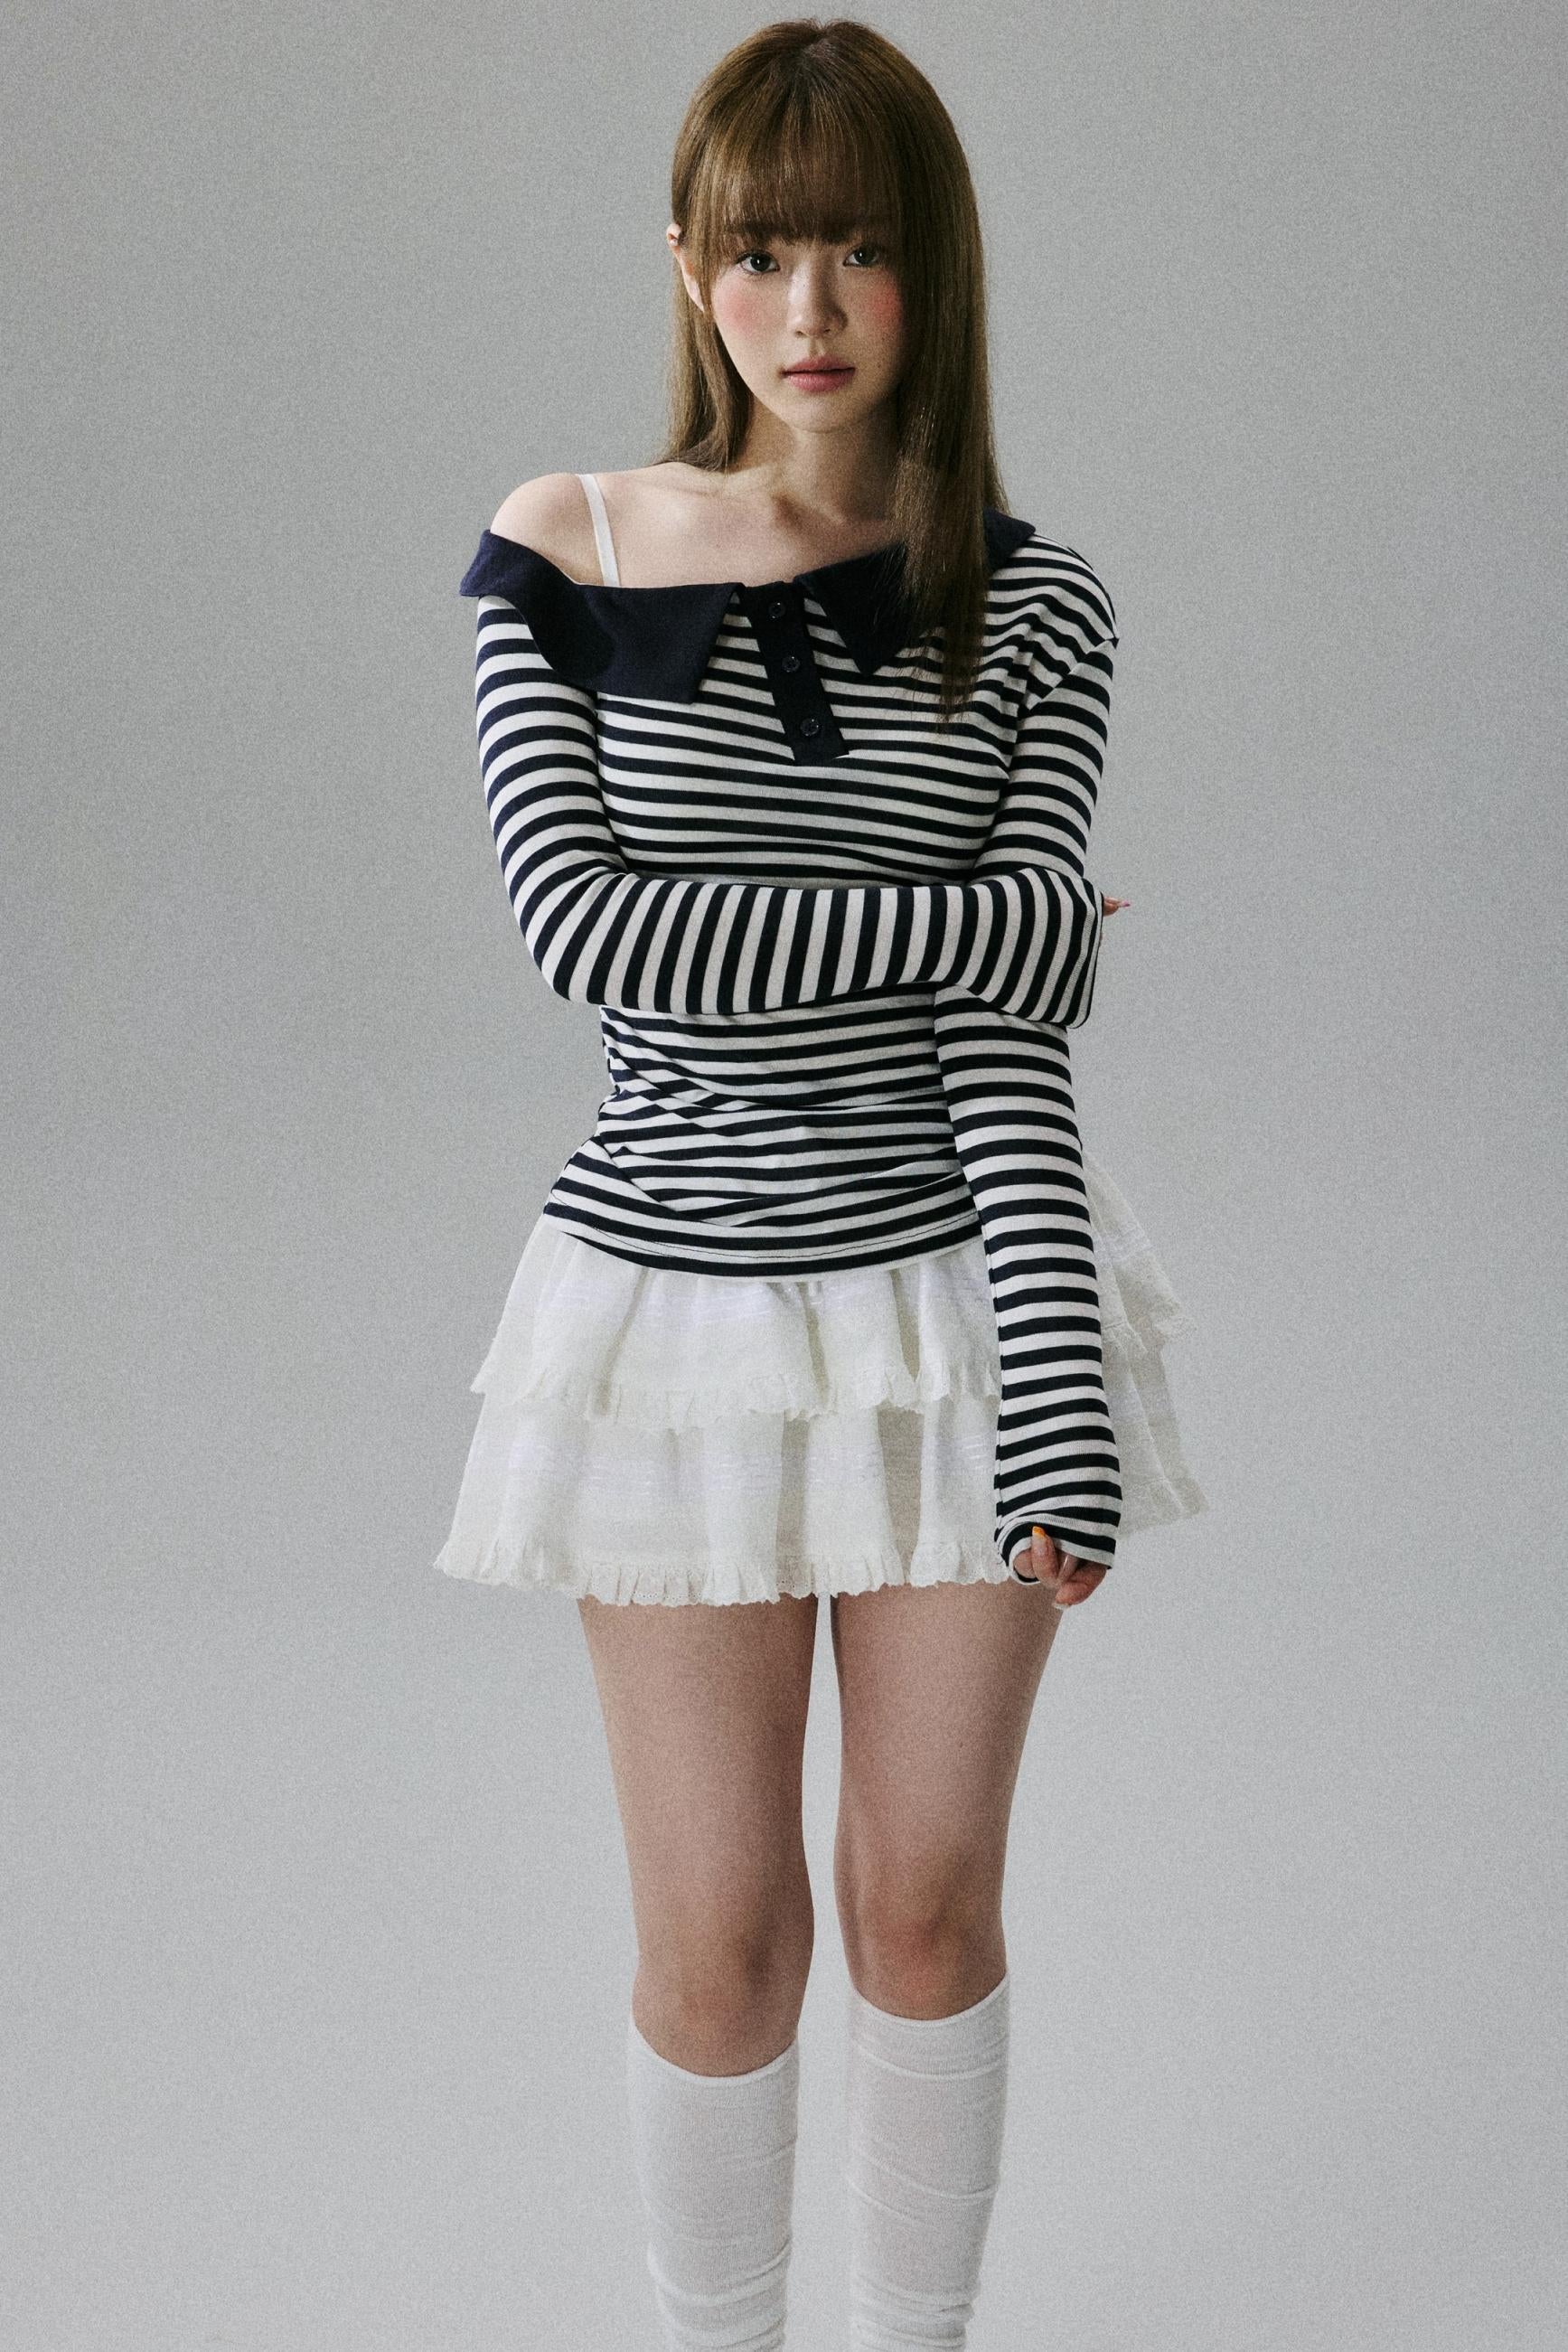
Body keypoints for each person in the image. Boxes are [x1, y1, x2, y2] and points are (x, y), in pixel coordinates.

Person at [437, 17, 1207, 2347]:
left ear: (930, 275)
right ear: (689, 269)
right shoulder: (560, 547)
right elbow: (600, 935)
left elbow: (1003, 1045)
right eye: (762, 252)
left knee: (927, 1912)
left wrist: (1059, 1388)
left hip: (955, 1302)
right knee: (719, 1941)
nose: (808, 307)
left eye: (859, 252)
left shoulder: (1035, 602)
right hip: (665, 1322)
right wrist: (997, 918)